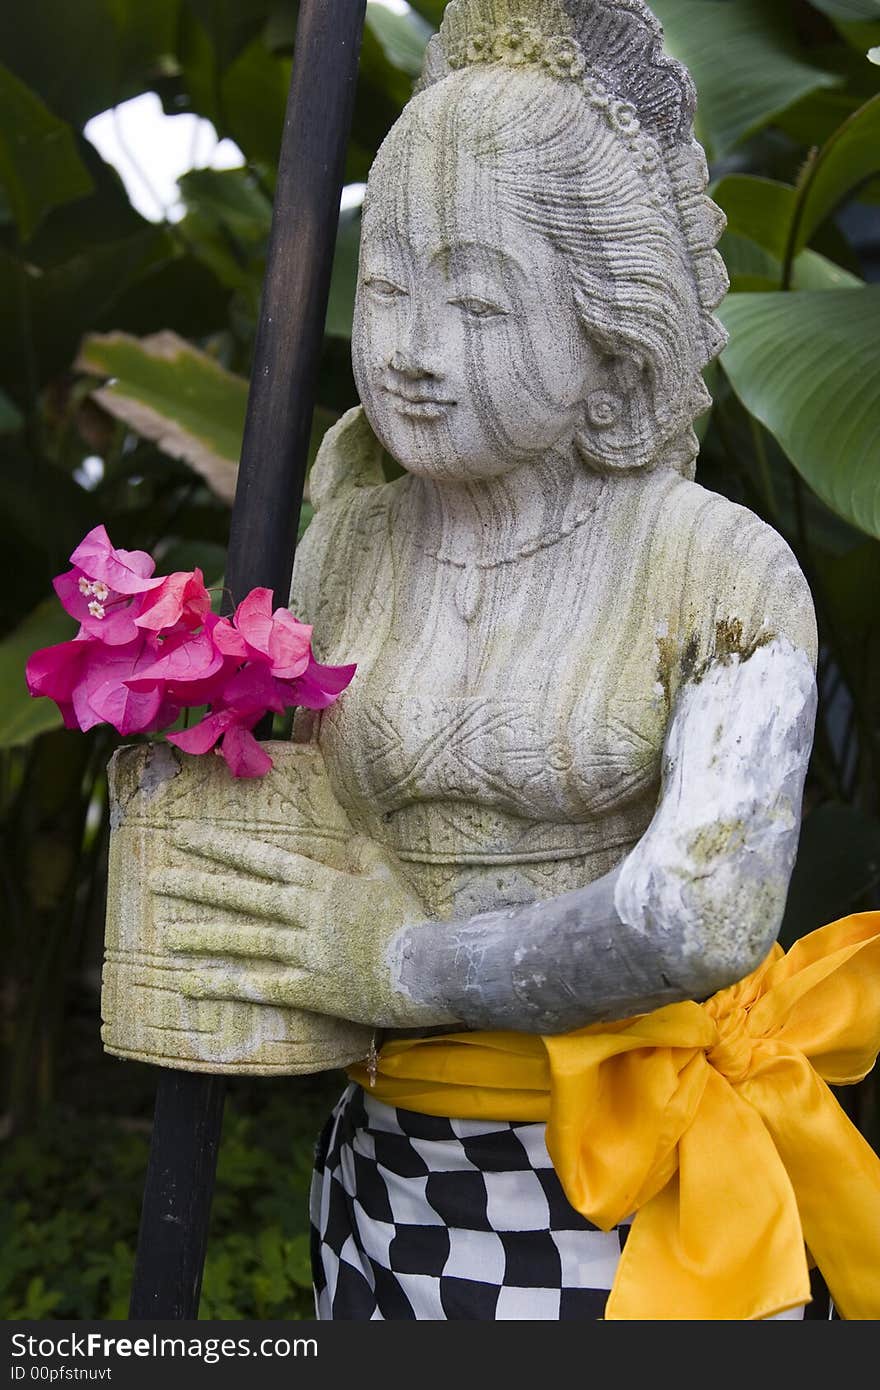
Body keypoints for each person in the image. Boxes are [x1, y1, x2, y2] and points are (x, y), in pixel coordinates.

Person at [162, 0, 830, 1318]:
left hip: (622, 1200)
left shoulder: (719, 569)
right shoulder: (343, 545)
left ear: (610, 345)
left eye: (475, 299)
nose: (409, 349)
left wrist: (407, 963)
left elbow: (699, 912)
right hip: (383, 1178)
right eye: (393, 287)